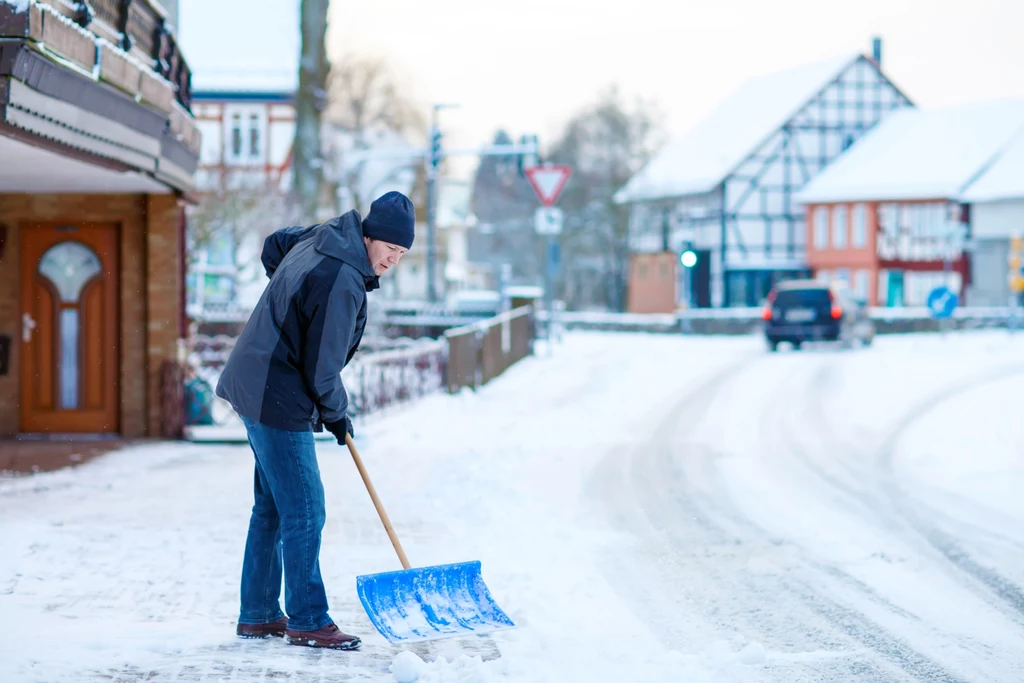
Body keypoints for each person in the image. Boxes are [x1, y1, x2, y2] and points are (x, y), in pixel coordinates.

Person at [215, 191, 414, 650]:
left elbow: (274, 244)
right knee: (305, 507)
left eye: (401, 254)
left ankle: (260, 613)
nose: (392, 261)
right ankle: (306, 618)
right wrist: (337, 414)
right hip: (275, 391)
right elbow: (323, 368)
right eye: (389, 248)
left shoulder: (326, 237)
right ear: (371, 235)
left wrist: (287, 305)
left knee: (272, 506)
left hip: (256, 378)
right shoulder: (343, 278)